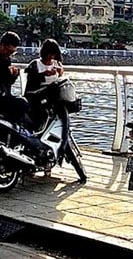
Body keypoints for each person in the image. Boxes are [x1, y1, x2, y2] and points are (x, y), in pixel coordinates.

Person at [23, 38, 87, 183]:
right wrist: (44, 75)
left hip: (55, 101)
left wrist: (60, 73)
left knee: (63, 123)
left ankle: (59, 154)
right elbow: (30, 88)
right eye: (49, 55)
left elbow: (60, 82)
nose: (50, 58)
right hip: (39, 100)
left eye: (53, 55)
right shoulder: (35, 65)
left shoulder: (57, 64)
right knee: (39, 127)